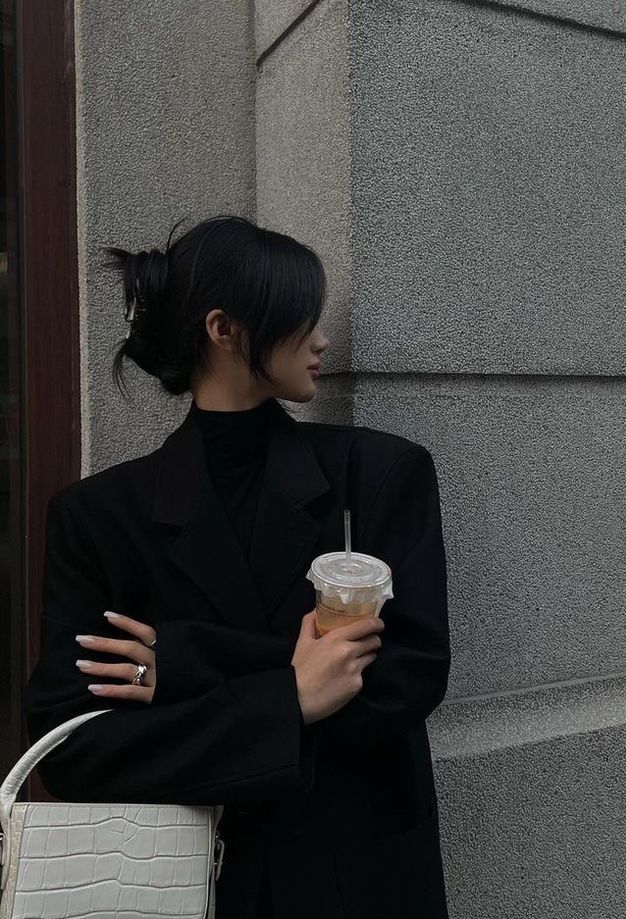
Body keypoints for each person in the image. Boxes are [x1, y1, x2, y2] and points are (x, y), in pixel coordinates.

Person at [23, 214, 452, 919]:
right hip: (180, 891)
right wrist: (291, 697)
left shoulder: (377, 475)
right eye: (301, 313)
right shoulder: (98, 517)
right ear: (223, 329)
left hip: (354, 882)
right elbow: (76, 748)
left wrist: (186, 663)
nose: (320, 339)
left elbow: (406, 677)